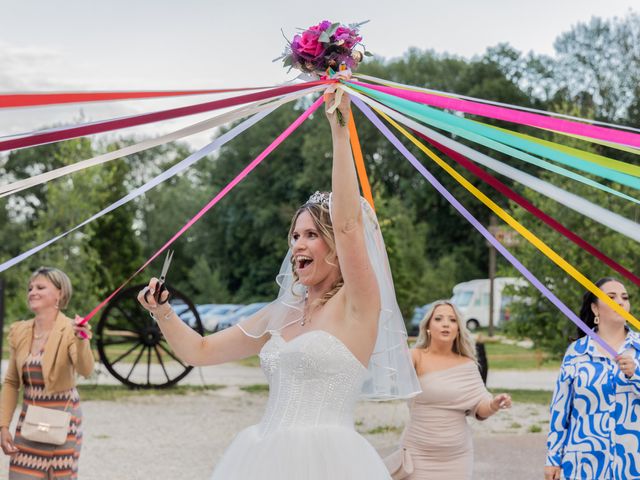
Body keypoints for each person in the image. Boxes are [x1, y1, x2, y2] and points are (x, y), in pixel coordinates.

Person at [137, 89, 420, 480]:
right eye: (294, 236)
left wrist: (340, 131)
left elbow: (350, 224)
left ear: (335, 247)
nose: (298, 244)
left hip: (331, 462)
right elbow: (199, 351)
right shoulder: (280, 312)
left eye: (310, 236)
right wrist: (163, 312)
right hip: (262, 458)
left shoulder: (358, 304)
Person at [386, 300, 511, 479]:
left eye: (452, 320)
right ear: (428, 326)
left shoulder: (467, 364)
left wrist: (494, 404)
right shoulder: (415, 357)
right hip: (417, 453)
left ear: (458, 329)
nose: (446, 324)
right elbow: (394, 379)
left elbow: (480, 407)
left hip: (457, 457)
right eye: (439, 319)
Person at [0, 267, 94, 479]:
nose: (32, 292)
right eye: (30, 288)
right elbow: (11, 382)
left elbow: (86, 370)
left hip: (63, 425)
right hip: (29, 425)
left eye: (40, 287)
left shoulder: (71, 329)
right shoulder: (19, 331)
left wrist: (82, 340)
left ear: (60, 294)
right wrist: (3, 426)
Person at [545, 277, 640, 480]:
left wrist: (636, 374)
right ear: (595, 309)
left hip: (632, 464)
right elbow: (560, 409)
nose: (621, 302)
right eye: (612, 297)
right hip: (584, 465)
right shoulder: (576, 352)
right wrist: (553, 458)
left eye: (625, 297)